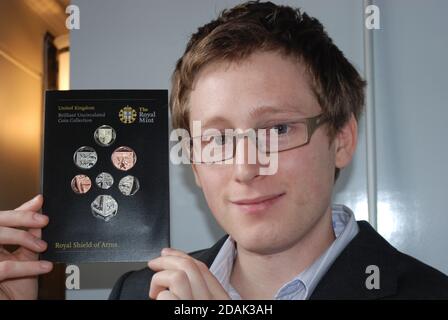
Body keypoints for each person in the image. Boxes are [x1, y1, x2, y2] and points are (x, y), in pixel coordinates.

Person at [1, 1, 447, 300]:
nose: (246, 168)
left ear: (342, 140)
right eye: (216, 139)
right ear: (193, 162)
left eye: (278, 129)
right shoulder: (138, 292)